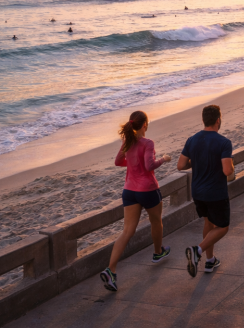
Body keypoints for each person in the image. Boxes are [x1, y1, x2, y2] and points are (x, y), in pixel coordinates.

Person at [100, 111, 171, 292]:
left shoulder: (128, 142)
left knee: (127, 231)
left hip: (129, 191)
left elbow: (118, 161)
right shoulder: (148, 143)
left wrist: (132, 164)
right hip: (148, 190)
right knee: (157, 222)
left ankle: (111, 269)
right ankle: (157, 252)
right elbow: (149, 165)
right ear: (145, 124)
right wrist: (163, 159)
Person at [178, 105, 235, 277]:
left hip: (197, 192)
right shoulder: (224, 142)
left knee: (208, 223)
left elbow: (181, 165)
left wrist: (196, 163)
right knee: (223, 227)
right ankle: (198, 250)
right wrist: (231, 165)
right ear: (218, 120)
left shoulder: (192, 140)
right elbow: (227, 171)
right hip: (215, 193)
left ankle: (210, 261)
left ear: (204, 120)